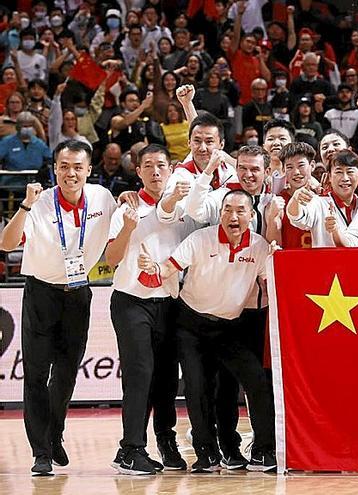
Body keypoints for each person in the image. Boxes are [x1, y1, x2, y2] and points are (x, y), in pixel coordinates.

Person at [137, 190, 277, 473]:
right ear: (220, 214)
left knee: (258, 382)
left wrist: (280, 265)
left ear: (251, 216)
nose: (233, 216)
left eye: (240, 210)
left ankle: (263, 451)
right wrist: (153, 268)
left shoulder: (261, 247)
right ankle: (206, 454)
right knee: (197, 388)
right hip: (190, 326)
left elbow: (272, 286)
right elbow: (169, 267)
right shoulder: (201, 239)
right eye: (227, 210)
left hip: (230, 328)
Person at [0, 140, 117, 476]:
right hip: (41, 293)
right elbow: (6, 245)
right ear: (54, 169)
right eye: (64, 166)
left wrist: (129, 203)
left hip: (79, 292)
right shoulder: (38, 204)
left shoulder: (102, 198)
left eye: (77, 166)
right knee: (36, 375)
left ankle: (55, 432)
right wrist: (24, 206)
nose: (70, 173)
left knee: (66, 373)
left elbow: (122, 230)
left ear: (89, 170)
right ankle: (40, 452)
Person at [104, 144, 195, 475]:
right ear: (137, 171)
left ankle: (166, 442)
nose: (155, 171)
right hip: (132, 301)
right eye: (148, 166)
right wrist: (128, 228)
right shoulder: (126, 209)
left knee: (168, 379)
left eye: (161, 165)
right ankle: (131, 448)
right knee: (139, 373)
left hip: (170, 302)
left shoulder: (183, 210)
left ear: (171, 170)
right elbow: (110, 260)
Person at [287, 150, 358, 248]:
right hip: (326, 262)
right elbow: (296, 217)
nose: (345, 178)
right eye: (339, 172)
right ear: (329, 176)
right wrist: (295, 199)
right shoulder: (318, 203)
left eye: (350, 172)